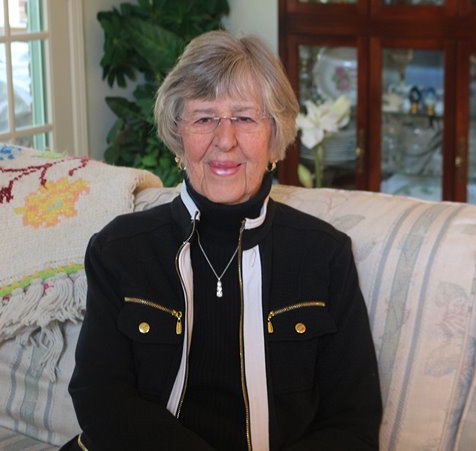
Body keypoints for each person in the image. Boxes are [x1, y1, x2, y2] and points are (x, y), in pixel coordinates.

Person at [61, 30, 382, 451]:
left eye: (245, 118)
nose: (225, 140)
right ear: (179, 136)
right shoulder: (120, 249)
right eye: (204, 117)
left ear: (274, 136)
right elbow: (101, 400)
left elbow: (353, 423)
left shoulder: (324, 255)